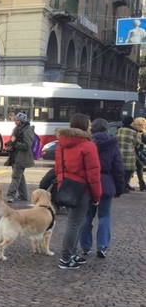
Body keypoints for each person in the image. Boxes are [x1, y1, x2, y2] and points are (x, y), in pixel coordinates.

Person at [55, 113, 102, 270]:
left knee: (76, 222)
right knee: (75, 223)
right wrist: (97, 196)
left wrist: (62, 182)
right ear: (83, 126)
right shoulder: (88, 146)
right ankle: (66, 258)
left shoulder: (61, 143)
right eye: (89, 124)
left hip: (67, 187)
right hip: (82, 190)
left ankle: (72, 253)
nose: (91, 127)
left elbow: (58, 168)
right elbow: (93, 174)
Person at [79, 118, 125, 260]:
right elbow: (118, 169)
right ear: (106, 129)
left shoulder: (87, 143)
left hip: (88, 183)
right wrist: (119, 188)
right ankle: (102, 246)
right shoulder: (112, 145)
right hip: (106, 183)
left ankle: (85, 247)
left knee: (86, 216)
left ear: (92, 129)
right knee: (104, 216)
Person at [3, 112, 35, 202]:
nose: (15, 121)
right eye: (14, 119)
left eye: (17, 120)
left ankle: (11, 196)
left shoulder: (28, 130)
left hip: (22, 158)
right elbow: (12, 140)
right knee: (20, 177)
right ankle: (23, 196)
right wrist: (9, 145)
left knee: (16, 176)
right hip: (14, 156)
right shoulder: (16, 129)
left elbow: (26, 146)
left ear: (22, 121)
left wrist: (14, 143)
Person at [114, 116, 142, 192]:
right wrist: (139, 137)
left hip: (119, 152)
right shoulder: (133, 132)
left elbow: (115, 139)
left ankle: (125, 185)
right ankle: (124, 186)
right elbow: (137, 143)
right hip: (129, 154)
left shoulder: (119, 130)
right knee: (129, 170)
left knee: (122, 170)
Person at [133, 117, 146, 191]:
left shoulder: (137, 131)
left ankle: (142, 184)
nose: (145, 125)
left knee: (137, 167)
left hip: (136, 152)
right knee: (139, 166)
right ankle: (142, 184)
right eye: (144, 124)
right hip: (136, 152)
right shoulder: (140, 131)